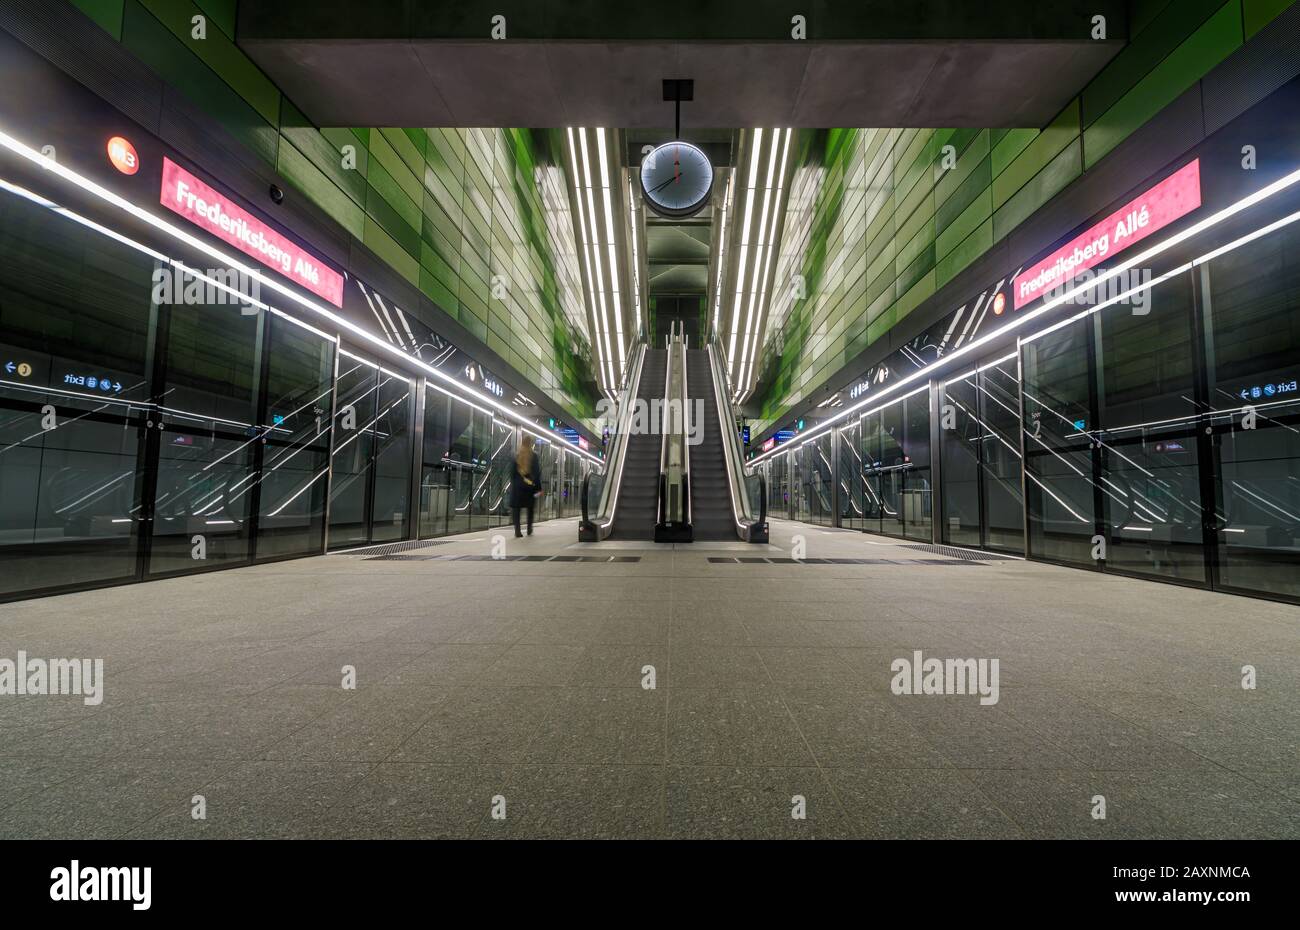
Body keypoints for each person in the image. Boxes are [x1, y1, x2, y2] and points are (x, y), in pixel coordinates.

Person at [510, 435, 543, 537]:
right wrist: (538, 488)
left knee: (516, 509)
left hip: (517, 487)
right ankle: (529, 528)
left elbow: (512, 473)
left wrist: (515, 484)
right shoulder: (534, 456)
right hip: (530, 487)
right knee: (530, 508)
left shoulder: (516, 455)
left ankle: (518, 531)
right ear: (531, 444)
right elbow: (537, 473)